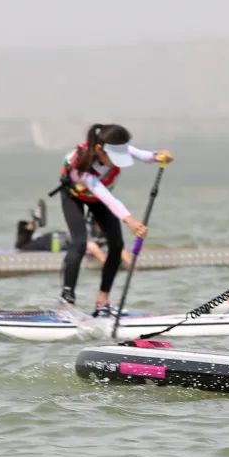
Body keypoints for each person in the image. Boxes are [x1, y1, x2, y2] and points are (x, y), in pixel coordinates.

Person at [55, 123, 174, 316]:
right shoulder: (82, 168)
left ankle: (103, 303)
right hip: (74, 197)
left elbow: (144, 155)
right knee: (79, 242)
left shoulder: (117, 147)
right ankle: (66, 303)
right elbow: (107, 198)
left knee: (117, 245)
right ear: (99, 150)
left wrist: (159, 156)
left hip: (97, 199)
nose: (119, 162)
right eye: (115, 158)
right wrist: (131, 221)